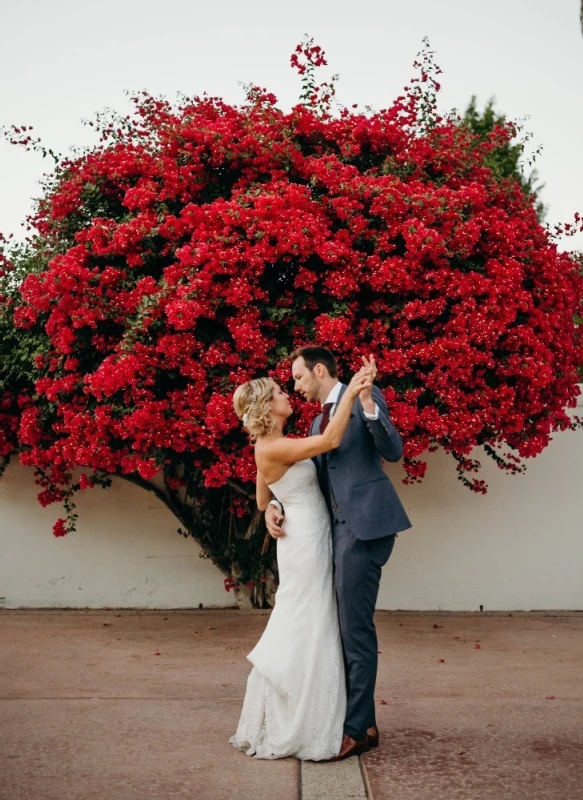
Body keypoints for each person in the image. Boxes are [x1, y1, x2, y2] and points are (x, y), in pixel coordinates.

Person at [265, 346, 411, 761]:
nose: (295, 387)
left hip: (364, 528)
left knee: (354, 630)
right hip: (335, 532)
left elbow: (393, 450)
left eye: (298, 378)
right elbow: (309, 479)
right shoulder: (316, 420)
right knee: (342, 627)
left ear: (318, 370)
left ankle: (355, 729)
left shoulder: (365, 393)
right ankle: (363, 720)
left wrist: (367, 404)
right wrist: (275, 506)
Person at [230, 365, 373, 760]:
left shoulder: (272, 443)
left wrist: (276, 506)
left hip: (305, 536)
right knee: (309, 617)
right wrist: (350, 393)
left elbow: (263, 500)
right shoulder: (271, 447)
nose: (286, 394)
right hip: (306, 543)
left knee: (312, 615)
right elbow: (330, 439)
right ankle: (304, 708)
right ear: (266, 407)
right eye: (278, 392)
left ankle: (323, 706)